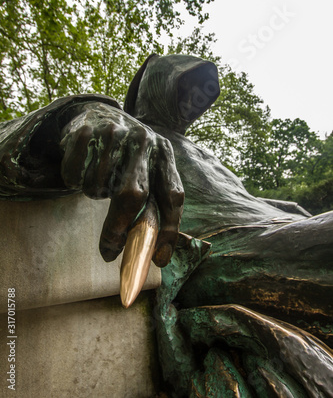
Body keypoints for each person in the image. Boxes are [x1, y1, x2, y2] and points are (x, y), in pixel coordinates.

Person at [1, 54, 332, 396]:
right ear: (148, 84)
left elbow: (246, 202)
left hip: (281, 229)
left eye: (201, 93)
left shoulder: (213, 159)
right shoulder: (133, 135)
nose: (192, 99)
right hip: (230, 248)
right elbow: (12, 146)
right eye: (183, 85)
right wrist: (78, 113)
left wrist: (288, 209)